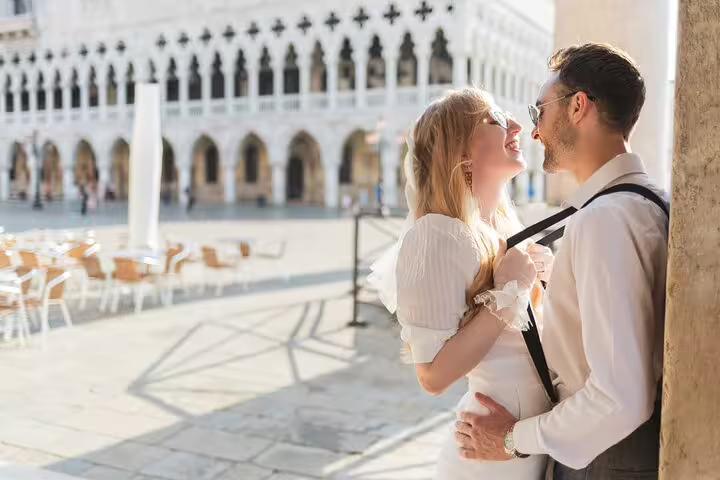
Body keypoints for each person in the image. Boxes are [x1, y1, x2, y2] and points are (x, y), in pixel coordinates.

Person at [455, 43, 669, 479]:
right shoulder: (652, 201)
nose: (535, 132)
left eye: (540, 112)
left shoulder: (605, 221)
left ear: (577, 107)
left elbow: (618, 397)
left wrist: (512, 439)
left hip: (604, 459)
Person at [369, 87, 554, 479]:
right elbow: (432, 375)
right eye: (496, 120)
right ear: (461, 151)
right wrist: (510, 293)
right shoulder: (437, 235)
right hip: (486, 458)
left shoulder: (504, 226)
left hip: (522, 441)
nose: (518, 126)